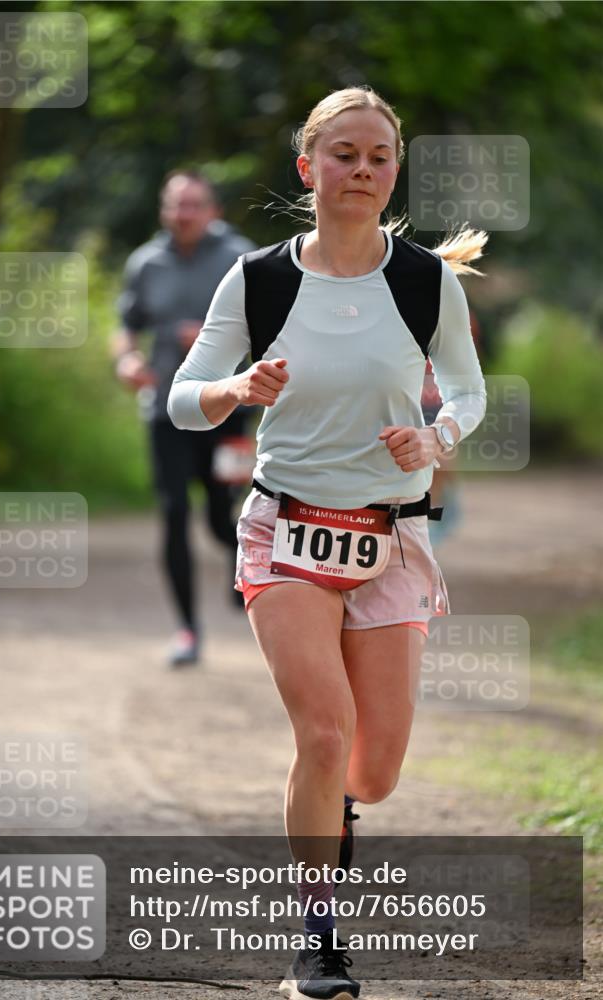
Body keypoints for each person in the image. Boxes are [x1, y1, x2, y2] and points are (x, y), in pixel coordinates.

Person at [168, 87, 487, 1000]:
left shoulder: (423, 281)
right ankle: (315, 944)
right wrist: (236, 389)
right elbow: (184, 400)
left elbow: (468, 392)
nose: (361, 169)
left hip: (392, 533)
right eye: (342, 154)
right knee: (322, 732)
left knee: (371, 772)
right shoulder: (258, 280)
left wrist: (436, 437)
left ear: (394, 171)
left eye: (378, 156)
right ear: (307, 168)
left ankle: (336, 805)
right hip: (286, 529)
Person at [114, 171, 255, 666]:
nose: (184, 214)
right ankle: (188, 630)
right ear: (164, 210)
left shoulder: (240, 257)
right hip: (165, 411)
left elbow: (270, 328)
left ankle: (241, 562)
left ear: (213, 210)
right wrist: (126, 360)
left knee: (222, 515)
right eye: (176, 205)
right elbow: (127, 325)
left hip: (230, 412)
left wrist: (216, 340)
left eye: (194, 205)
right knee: (173, 512)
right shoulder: (146, 262)